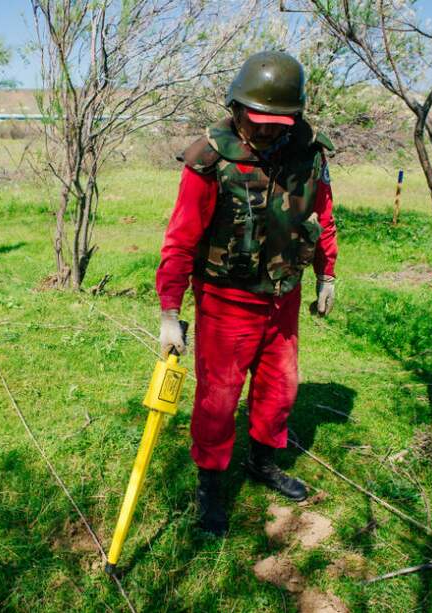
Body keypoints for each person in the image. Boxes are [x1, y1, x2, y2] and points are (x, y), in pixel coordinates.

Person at [155, 51, 338, 536]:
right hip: (225, 299)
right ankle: (211, 485)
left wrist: (328, 275)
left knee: (281, 388)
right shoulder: (209, 160)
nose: (266, 132)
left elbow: (323, 217)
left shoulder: (308, 154)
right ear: (236, 109)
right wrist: (170, 310)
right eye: (257, 122)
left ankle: (262, 462)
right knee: (217, 399)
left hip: (284, 295)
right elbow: (180, 239)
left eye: (277, 124)